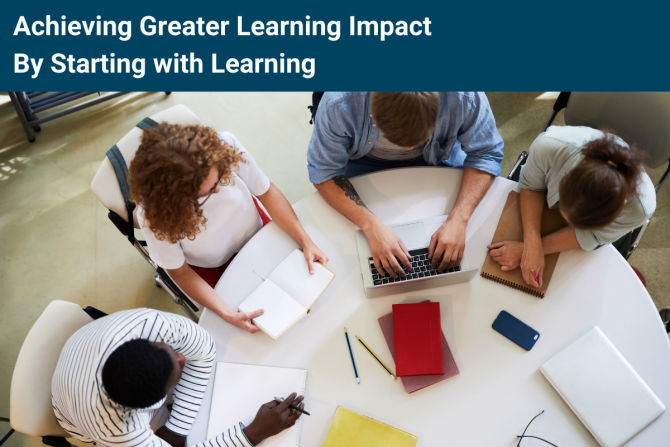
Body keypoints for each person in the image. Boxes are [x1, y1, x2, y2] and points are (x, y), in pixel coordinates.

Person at [129, 123, 328, 333]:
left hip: (255, 229)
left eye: (219, 177)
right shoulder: (153, 215)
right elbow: (180, 272)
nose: (217, 191)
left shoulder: (224, 144)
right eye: (204, 194)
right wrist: (228, 314)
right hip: (210, 265)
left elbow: (265, 191)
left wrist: (305, 240)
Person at [307, 92, 504, 278]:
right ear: (373, 111)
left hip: (438, 160)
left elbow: (486, 153)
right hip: (363, 164)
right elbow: (324, 171)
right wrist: (371, 226)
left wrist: (459, 219)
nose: (408, 148)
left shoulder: (464, 95)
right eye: (395, 137)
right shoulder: (339, 102)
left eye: (420, 136)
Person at [52, 308, 304, 447]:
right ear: (154, 403)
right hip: (77, 415)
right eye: (177, 375)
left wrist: (176, 430)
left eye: (168, 351)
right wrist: (253, 434)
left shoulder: (148, 323)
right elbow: (198, 358)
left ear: (146, 341)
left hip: (81, 361)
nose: (182, 359)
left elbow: (204, 351)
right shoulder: (117, 429)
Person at [488, 126, 656, 287]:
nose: (569, 224)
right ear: (564, 178)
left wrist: (531, 249)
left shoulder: (640, 208)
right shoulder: (548, 146)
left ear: (621, 207)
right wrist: (532, 245)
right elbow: (531, 186)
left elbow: (591, 236)